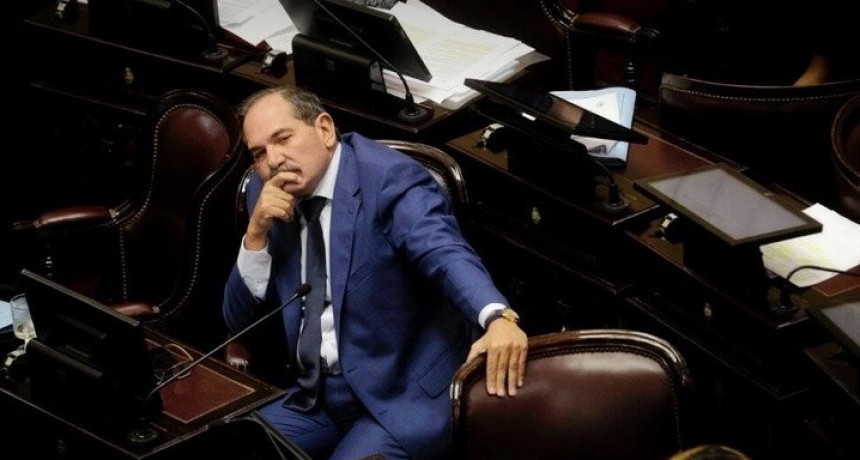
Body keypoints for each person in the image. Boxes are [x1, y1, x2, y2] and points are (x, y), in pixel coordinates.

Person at [222, 85, 528, 459]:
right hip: (315, 395)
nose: (273, 160)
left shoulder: (389, 179)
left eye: (283, 138)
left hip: (398, 397)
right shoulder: (264, 190)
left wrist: (496, 315)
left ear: (324, 129)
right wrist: (255, 235)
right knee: (227, 446)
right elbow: (238, 322)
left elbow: (443, 253)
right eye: (258, 153)